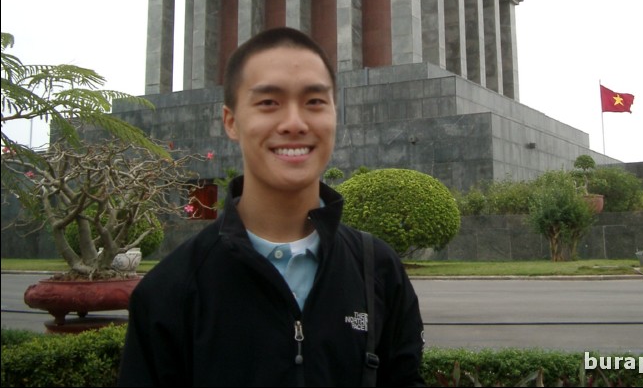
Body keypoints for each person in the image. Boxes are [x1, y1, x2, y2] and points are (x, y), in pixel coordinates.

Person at [118, 27, 425, 387]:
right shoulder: (172, 289)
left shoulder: (378, 271)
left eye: (314, 102)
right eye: (268, 103)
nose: (294, 123)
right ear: (231, 122)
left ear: (335, 115)